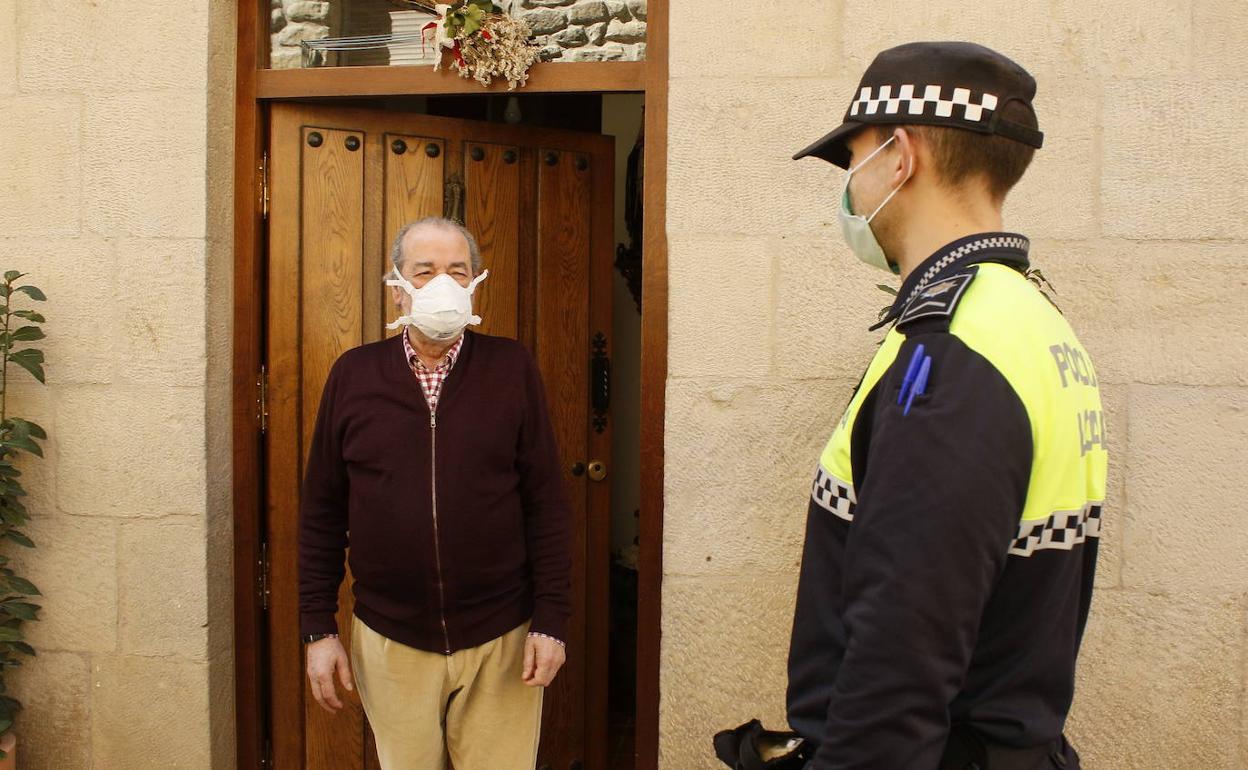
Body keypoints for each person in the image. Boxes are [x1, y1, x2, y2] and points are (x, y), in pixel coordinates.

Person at [786, 42, 1108, 769]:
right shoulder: (1030, 318)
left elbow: (901, 657)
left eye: (855, 160)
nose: (851, 190)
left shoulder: (952, 349)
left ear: (899, 157)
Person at [298, 216, 572, 770]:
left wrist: (552, 621)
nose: (441, 284)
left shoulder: (511, 367)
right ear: (397, 288)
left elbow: (547, 504)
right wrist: (317, 628)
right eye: (424, 272)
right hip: (391, 639)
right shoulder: (353, 375)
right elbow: (322, 512)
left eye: (457, 270)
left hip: (502, 638)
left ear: (475, 284)